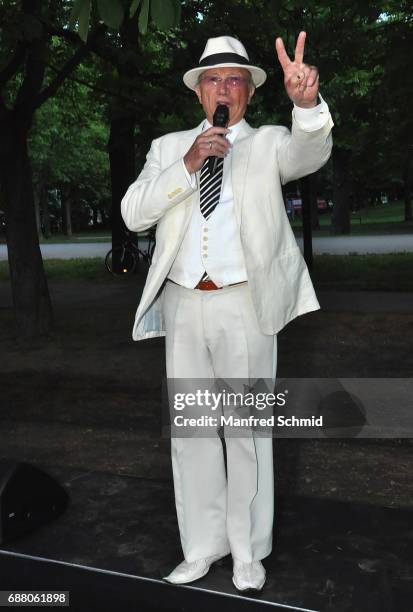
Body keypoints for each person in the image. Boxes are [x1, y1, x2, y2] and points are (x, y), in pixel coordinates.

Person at [121, 32, 333, 592]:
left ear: (248, 92)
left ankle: (247, 550)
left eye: (235, 79)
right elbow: (133, 214)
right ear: (198, 92)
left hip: (244, 303)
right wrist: (189, 164)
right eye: (213, 78)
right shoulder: (170, 147)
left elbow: (310, 152)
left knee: (246, 432)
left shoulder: (267, 143)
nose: (224, 88)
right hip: (184, 302)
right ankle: (201, 547)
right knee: (191, 431)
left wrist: (306, 105)